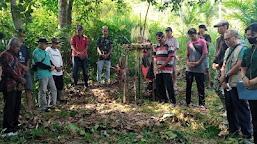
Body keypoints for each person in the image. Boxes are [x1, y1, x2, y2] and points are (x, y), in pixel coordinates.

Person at [220, 29, 252, 138]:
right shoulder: (228, 50)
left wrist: (225, 76)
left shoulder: (242, 49)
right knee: (230, 108)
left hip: (238, 83)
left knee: (241, 108)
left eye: (229, 39)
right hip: (228, 83)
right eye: (225, 39)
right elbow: (224, 65)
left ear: (235, 37)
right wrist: (223, 79)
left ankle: (246, 133)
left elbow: (239, 65)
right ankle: (233, 129)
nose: (227, 41)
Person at [0, 37, 25, 135]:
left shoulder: (13, 56)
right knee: (9, 106)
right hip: (9, 84)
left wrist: (21, 78)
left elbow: (17, 68)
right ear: (11, 45)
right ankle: (7, 128)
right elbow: (10, 71)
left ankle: (15, 125)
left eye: (19, 47)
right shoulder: (5, 55)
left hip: (16, 85)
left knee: (16, 105)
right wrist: (20, 79)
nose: (18, 49)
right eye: (17, 47)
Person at [241, 23, 257, 143]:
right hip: (251, 89)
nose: (249, 37)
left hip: (254, 84)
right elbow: (243, 67)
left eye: (252, 35)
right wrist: (244, 78)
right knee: (254, 117)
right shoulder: (247, 51)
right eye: (248, 35)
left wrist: (254, 81)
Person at [32, 37, 57, 112]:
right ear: (40, 44)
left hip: (49, 74)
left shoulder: (46, 52)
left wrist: (53, 66)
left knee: (53, 89)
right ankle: (43, 106)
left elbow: (49, 60)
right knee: (42, 90)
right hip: (41, 74)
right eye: (45, 44)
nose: (46, 45)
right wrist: (49, 67)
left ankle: (52, 104)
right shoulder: (36, 52)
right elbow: (39, 63)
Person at [186, 28, 207, 108]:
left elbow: (204, 54)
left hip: (199, 68)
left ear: (196, 34)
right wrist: (188, 63)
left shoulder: (202, 42)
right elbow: (187, 55)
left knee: (200, 86)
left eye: (193, 35)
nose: (191, 37)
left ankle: (202, 103)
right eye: (190, 36)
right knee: (188, 85)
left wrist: (198, 62)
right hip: (190, 68)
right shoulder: (189, 44)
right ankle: (188, 102)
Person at [153, 32, 176, 105]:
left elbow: (170, 56)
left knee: (169, 85)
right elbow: (154, 57)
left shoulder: (169, 44)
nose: (159, 41)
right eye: (158, 40)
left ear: (163, 37)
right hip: (159, 69)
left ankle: (173, 101)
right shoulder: (156, 46)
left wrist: (163, 65)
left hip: (167, 69)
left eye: (160, 39)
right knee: (159, 84)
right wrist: (156, 65)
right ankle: (163, 99)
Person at [213, 20, 229, 110]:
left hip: (226, 67)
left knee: (225, 87)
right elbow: (217, 53)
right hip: (218, 67)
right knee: (216, 87)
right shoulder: (218, 39)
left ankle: (228, 107)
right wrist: (214, 62)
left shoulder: (229, 38)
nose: (218, 29)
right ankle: (225, 105)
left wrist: (220, 64)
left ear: (225, 26)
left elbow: (227, 54)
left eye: (220, 27)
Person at [16, 32, 33, 113]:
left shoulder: (25, 47)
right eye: (20, 36)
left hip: (26, 71)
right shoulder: (14, 47)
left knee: (28, 89)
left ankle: (29, 108)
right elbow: (14, 59)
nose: (22, 38)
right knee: (18, 90)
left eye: (23, 36)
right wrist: (23, 67)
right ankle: (18, 109)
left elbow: (28, 58)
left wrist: (27, 67)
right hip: (18, 71)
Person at [46, 37, 65, 104]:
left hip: (59, 72)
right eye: (56, 43)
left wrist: (61, 67)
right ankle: (52, 101)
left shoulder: (57, 51)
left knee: (59, 86)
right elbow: (49, 59)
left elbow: (60, 60)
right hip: (53, 71)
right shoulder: (48, 50)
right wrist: (55, 67)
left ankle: (58, 99)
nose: (57, 45)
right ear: (52, 43)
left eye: (58, 43)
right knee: (52, 87)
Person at [198, 25, 212, 89]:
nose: (200, 29)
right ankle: (200, 83)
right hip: (198, 55)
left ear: (204, 29)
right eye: (199, 28)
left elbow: (208, 44)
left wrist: (202, 38)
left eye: (201, 28)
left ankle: (209, 84)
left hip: (205, 55)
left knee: (207, 69)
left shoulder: (207, 36)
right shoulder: (197, 36)